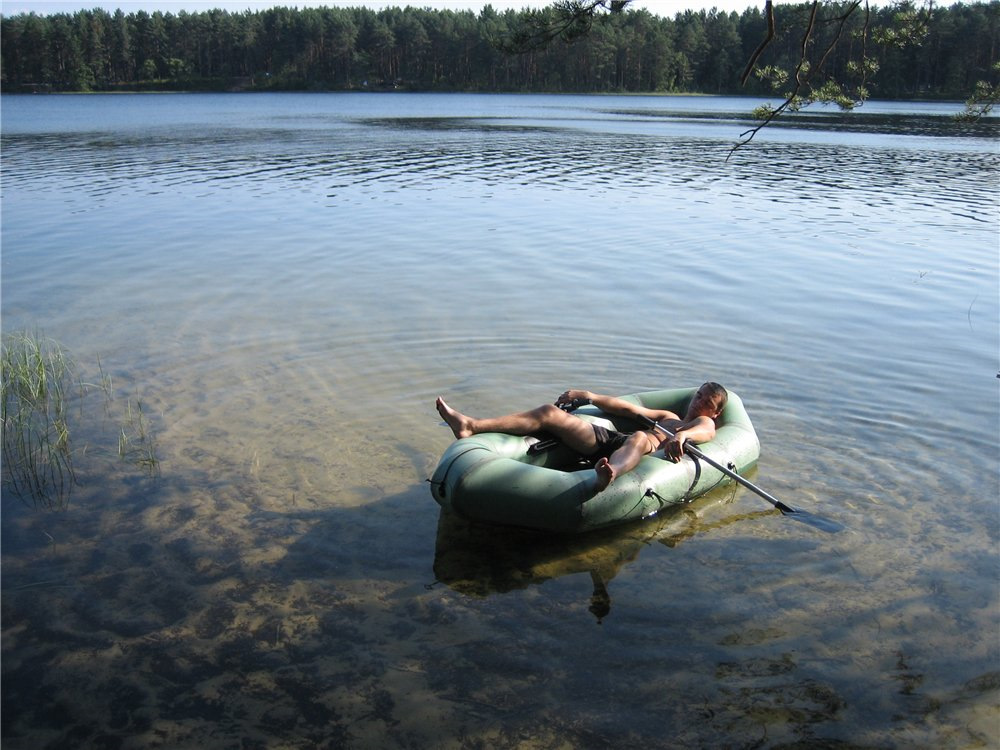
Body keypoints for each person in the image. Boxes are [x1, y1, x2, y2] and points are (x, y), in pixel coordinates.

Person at [435, 383, 728, 492]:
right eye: (698, 395)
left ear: (714, 412)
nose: (697, 402)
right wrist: (589, 395)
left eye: (706, 402)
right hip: (617, 440)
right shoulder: (668, 416)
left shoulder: (699, 423)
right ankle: (471, 425)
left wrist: (683, 437)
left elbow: (705, 431)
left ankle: (610, 474)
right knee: (549, 412)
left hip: (644, 448)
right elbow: (627, 407)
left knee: (639, 437)